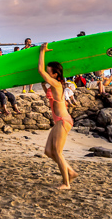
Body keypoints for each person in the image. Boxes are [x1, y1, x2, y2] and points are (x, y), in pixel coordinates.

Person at [38, 43, 77, 189]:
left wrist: (42, 51)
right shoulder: (53, 85)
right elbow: (50, 95)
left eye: (49, 72)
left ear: (55, 75)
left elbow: (40, 70)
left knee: (58, 152)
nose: (47, 74)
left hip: (63, 120)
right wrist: (43, 86)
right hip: (58, 121)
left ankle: (66, 183)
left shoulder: (56, 83)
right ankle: (70, 172)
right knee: (48, 151)